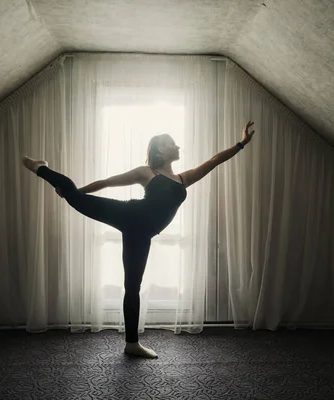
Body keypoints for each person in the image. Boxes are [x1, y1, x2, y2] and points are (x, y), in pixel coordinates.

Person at [22, 121, 256, 358]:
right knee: (73, 196)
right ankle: (41, 168)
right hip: (129, 214)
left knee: (132, 287)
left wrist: (241, 144)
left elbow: (214, 160)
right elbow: (106, 182)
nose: (177, 146)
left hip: (142, 234)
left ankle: (131, 344)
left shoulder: (183, 179)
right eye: (171, 143)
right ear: (159, 150)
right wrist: (76, 194)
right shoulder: (147, 173)